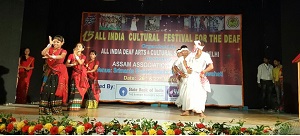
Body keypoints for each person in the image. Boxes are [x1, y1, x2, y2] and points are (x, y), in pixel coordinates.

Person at [182, 40, 213, 117]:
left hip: (199, 76)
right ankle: (187, 110)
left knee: (200, 93)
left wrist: (203, 71)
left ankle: (200, 111)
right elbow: (184, 61)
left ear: (199, 46)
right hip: (191, 76)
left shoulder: (205, 55)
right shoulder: (191, 55)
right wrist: (187, 68)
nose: (193, 46)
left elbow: (211, 66)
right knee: (189, 92)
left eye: (195, 45)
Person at [39, 35, 68, 115]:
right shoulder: (50, 49)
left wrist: (51, 56)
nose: (55, 43)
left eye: (58, 42)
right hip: (49, 71)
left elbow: (61, 56)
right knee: (46, 89)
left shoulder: (63, 51)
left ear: (62, 43)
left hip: (59, 73)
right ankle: (44, 109)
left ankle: (55, 109)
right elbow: (43, 53)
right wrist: (49, 45)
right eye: (54, 41)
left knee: (55, 90)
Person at [66, 43, 89, 111]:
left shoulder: (83, 56)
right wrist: (73, 64)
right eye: (77, 46)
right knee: (73, 90)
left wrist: (75, 55)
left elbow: (81, 63)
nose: (78, 47)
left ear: (82, 49)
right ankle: (71, 106)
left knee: (80, 90)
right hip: (75, 74)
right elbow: (67, 64)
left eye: (80, 46)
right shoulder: (71, 55)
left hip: (81, 76)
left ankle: (77, 106)